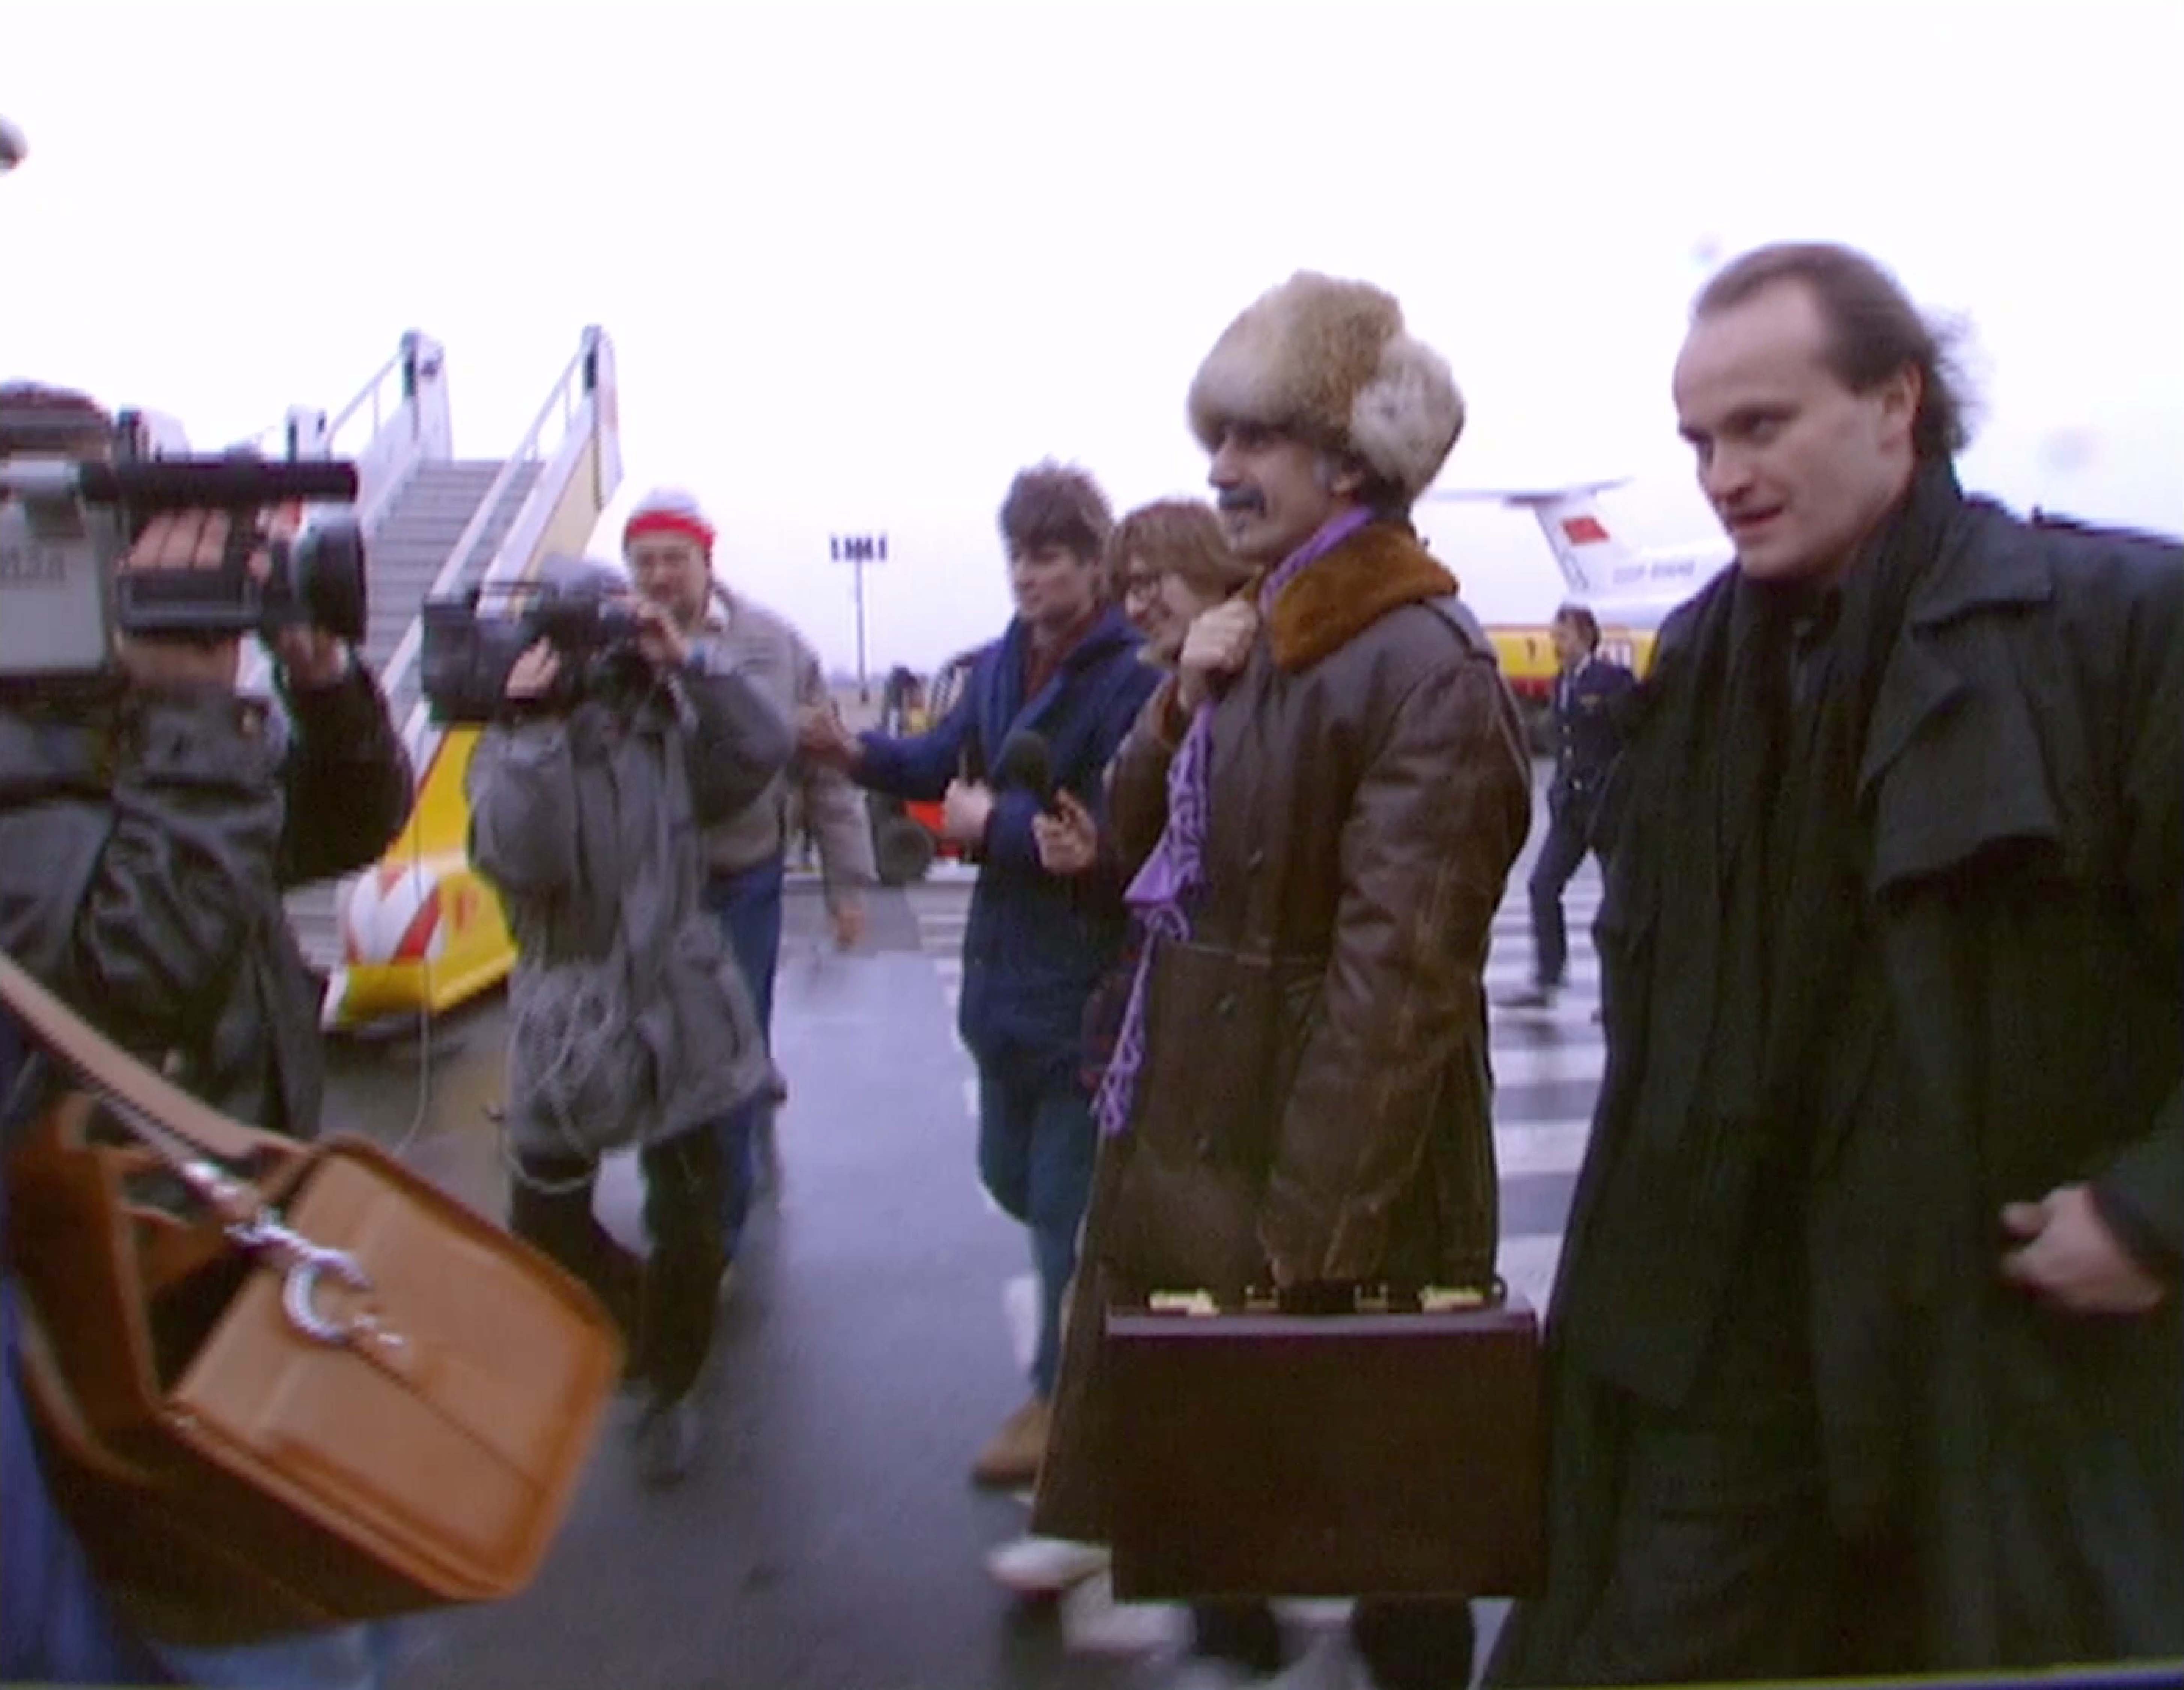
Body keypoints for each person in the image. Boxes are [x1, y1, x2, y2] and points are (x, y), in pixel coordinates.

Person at [1487, 243, 2183, 1685]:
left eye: (1760, 424)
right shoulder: (1687, 674)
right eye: (1696, 440)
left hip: (1987, 1349)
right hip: (1718, 1352)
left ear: (1894, 405)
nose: (1719, 473)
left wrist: (2149, 1213)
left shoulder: (2114, 631)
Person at [1029, 274, 1532, 1690]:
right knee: (1209, 1514)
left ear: (1353, 457)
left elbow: (1398, 988)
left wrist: (1301, 1252)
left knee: (1387, 1534)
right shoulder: (1255, 630)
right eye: (1217, 441)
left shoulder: (1421, 661)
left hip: (1326, 1183)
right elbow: (1132, 840)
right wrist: (1179, 690)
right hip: (1195, 1140)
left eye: (1256, 440)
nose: (1221, 471)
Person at [0, 380, 414, 1687]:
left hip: (223, 1233)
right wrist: (191, 710)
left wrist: (321, 682)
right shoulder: (60, 755)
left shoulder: (136, 729)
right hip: (97, 1296)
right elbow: (133, 971)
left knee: (351, 1586)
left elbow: (341, 830)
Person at [799, 462, 1159, 1488]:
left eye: (1050, 555)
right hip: (1002, 976)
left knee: (1056, 1206)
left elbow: (1103, 820)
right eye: (1018, 554)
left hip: (1081, 983)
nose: (1028, 575)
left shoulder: (1129, 678)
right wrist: (855, 754)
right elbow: (943, 752)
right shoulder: (1006, 659)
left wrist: (987, 824)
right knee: (1008, 1175)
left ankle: (1060, 1401)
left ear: (1093, 563)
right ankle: (1108, 1324)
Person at [983, 499, 1257, 1600]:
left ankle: (1151, 1520)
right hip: (1161, 1017)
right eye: (1130, 576)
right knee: (1128, 1272)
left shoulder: (1262, 682)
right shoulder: (1176, 691)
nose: (1141, 596)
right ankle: (1112, 1504)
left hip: (1227, 1030)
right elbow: (1140, 851)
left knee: (1163, 1282)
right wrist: (1096, 854)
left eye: (1162, 575)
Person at [466, 554, 788, 1486]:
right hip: (568, 1004)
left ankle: (671, 1379)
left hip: (679, 995)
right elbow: (523, 856)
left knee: (692, 1217)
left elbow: (763, 746)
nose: (590, 654)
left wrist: (687, 661)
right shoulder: (510, 733)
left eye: (600, 627)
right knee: (545, 1221)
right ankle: (637, 1318)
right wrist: (530, 728)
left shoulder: (666, 716)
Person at [621, 486, 875, 1240]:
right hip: (644, 885)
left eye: (675, 559)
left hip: (742, 876)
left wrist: (847, 882)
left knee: (732, 1051)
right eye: (645, 562)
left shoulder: (773, 645)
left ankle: (718, 1233)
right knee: (656, 1052)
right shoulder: (608, 641)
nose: (661, 577)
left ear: (707, 560)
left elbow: (824, 771)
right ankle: (674, 1211)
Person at [1499, 604, 1635, 1011]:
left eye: (1562, 636)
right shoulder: (1561, 683)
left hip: (1606, 808)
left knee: (1619, 903)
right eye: (1555, 636)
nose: (1555, 644)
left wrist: (1623, 790)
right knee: (1542, 885)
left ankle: (1622, 997)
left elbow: (1634, 736)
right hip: (1571, 810)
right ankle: (1548, 976)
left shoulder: (1612, 680)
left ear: (1585, 636)